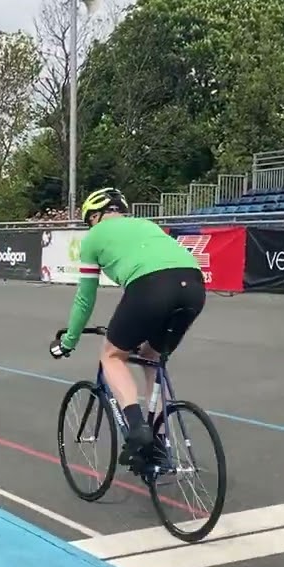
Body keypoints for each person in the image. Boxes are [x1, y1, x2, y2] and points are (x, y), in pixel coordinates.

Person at [48, 187, 207, 472]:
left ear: (95, 216)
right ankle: (159, 444)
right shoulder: (147, 225)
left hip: (151, 288)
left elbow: (85, 298)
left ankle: (137, 430)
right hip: (194, 285)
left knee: (111, 355)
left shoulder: (94, 237)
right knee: (151, 357)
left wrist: (69, 341)